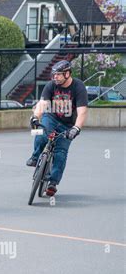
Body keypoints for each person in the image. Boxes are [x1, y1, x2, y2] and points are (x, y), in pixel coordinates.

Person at [26, 60, 88, 196]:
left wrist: (76, 128)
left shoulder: (78, 87)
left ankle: (53, 183)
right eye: (54, 75)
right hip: (51, 117)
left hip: (68, 124)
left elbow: (82, 111)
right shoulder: (51, 85)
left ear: (67, 74)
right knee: (41, 133)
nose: (55, 77)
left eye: (58, 75)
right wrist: (35, 117)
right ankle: (35, 157)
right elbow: (42, 104)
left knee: (61, 152)